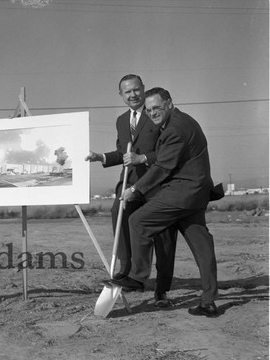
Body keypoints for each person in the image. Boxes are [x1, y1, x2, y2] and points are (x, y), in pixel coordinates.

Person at [111, 87, 220, 317]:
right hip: (196, 193)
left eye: (157, 108)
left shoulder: (174, 129)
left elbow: (163, 167)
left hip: (182, 192)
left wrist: (135, 189)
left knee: (138, 221)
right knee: (202, 246)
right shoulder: (179, 122)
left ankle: (138, 277)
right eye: (149, 109)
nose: (152, 112)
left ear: (169, 103)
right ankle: (208, 301)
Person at [85, 74, 177, 307]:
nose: (133, 95)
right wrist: (101, 157)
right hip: (130, 184)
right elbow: (123, 153)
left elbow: (169, 151)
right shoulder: (120, 120)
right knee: (120, 215)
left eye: (136, 90)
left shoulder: (155, 113)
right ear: (121, 95)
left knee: (163, 235)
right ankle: (127, 272)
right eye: (127, 92)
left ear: (143, 89)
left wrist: (143, 158)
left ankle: (162, 289)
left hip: (158, 184)